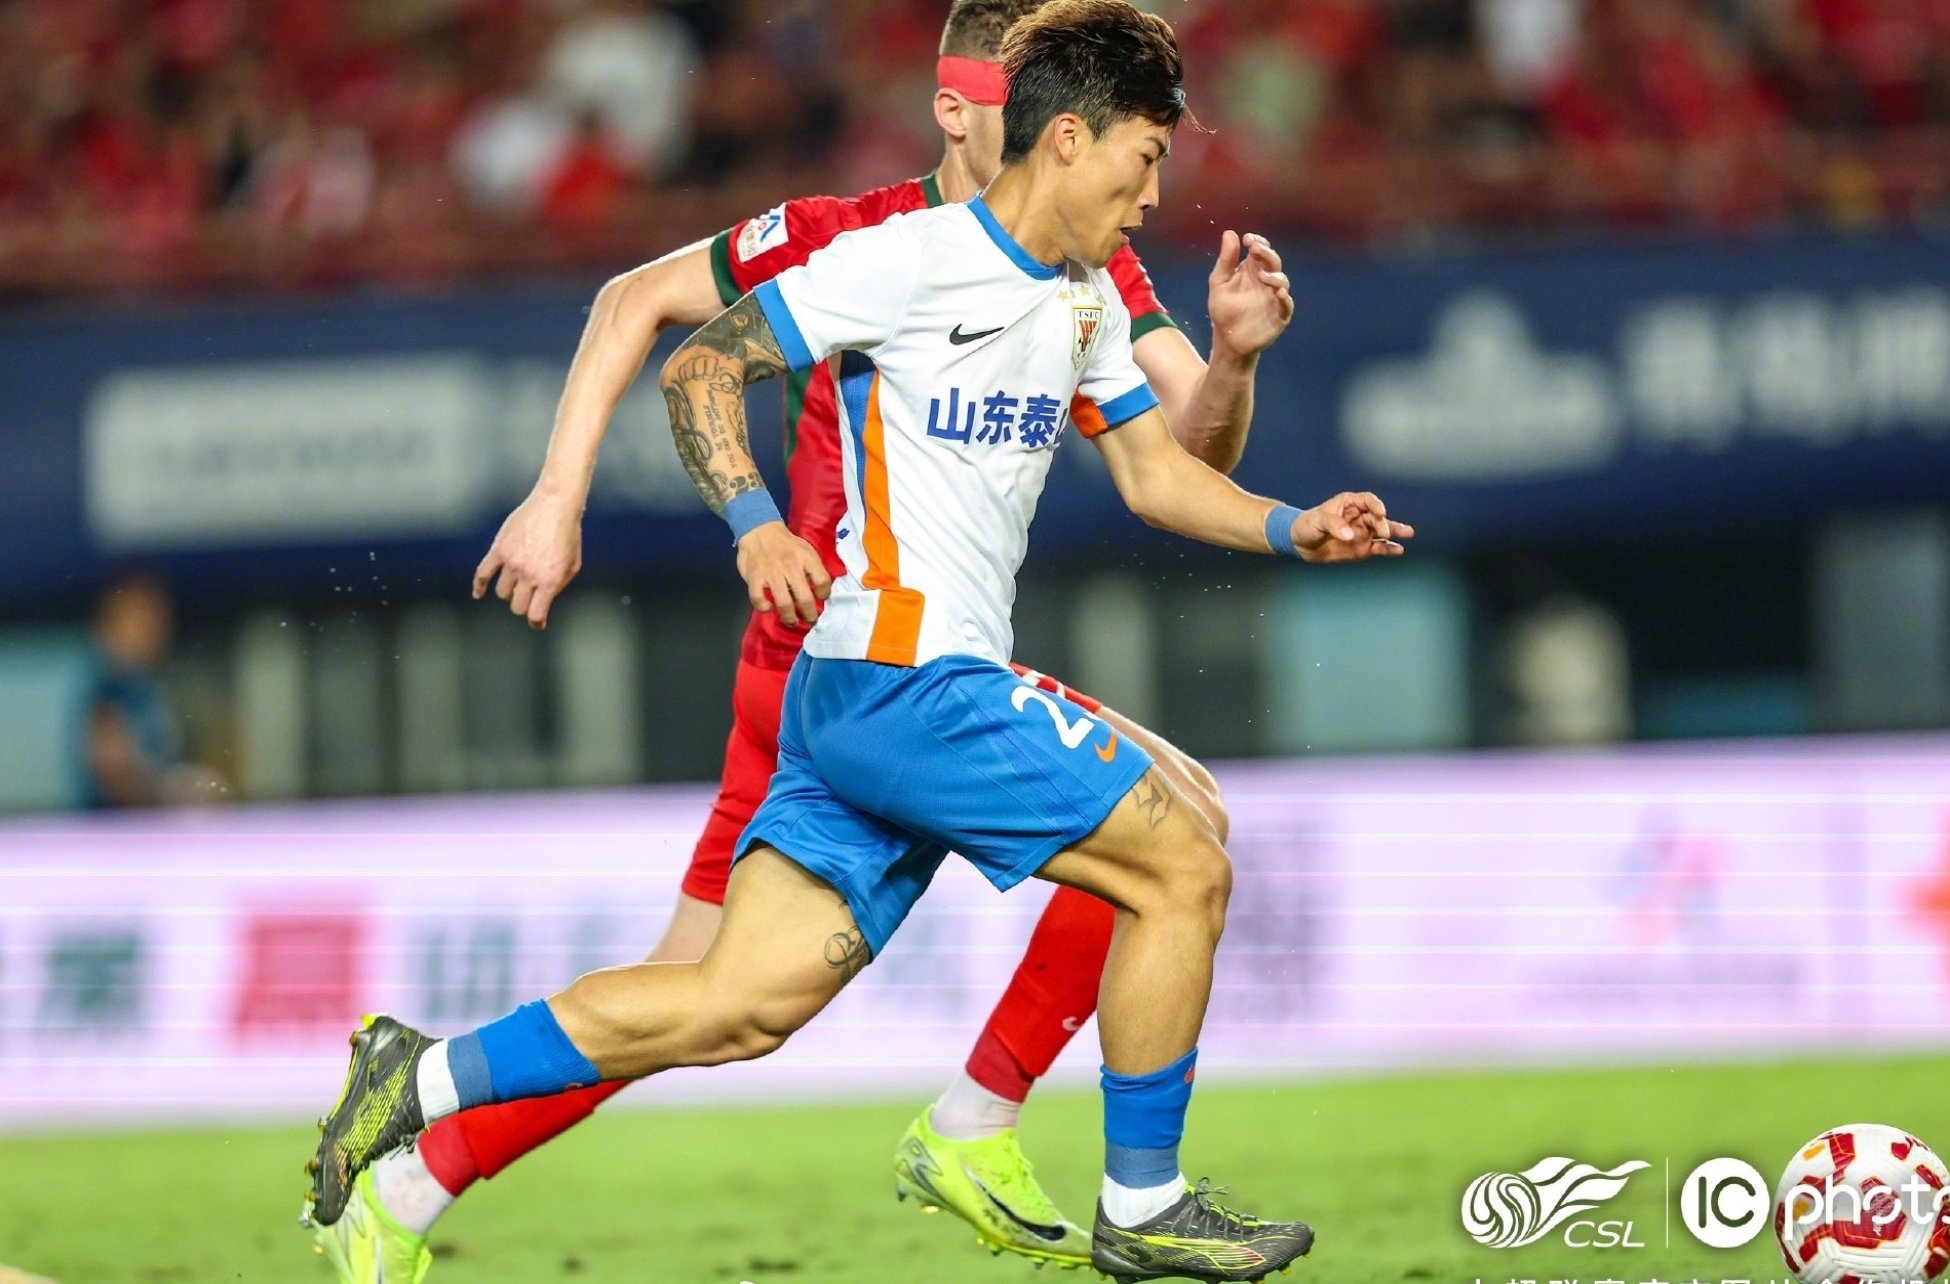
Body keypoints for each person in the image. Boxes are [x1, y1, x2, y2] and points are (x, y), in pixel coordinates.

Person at [305, 4, 1413, 1279]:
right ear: (1051, 130)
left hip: (849, 690)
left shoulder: (1090, 292)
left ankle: (419, 1081)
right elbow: (688, 354)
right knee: (1181, 862)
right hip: (895, 674)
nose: (1156, 194)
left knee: (730, 1004)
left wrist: (1291, 522)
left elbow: (1165, 471)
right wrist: (739, 522)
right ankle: (1118, 1190)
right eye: (1146, 157)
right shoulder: (885, 251)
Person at [79, 572, 223, 810]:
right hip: (119, 827)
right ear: (108, 623)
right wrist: (174, 792)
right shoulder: (108, 690)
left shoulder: (153, 685)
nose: (151, 627)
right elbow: (114, 777)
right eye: (138, 617)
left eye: (157, 616)